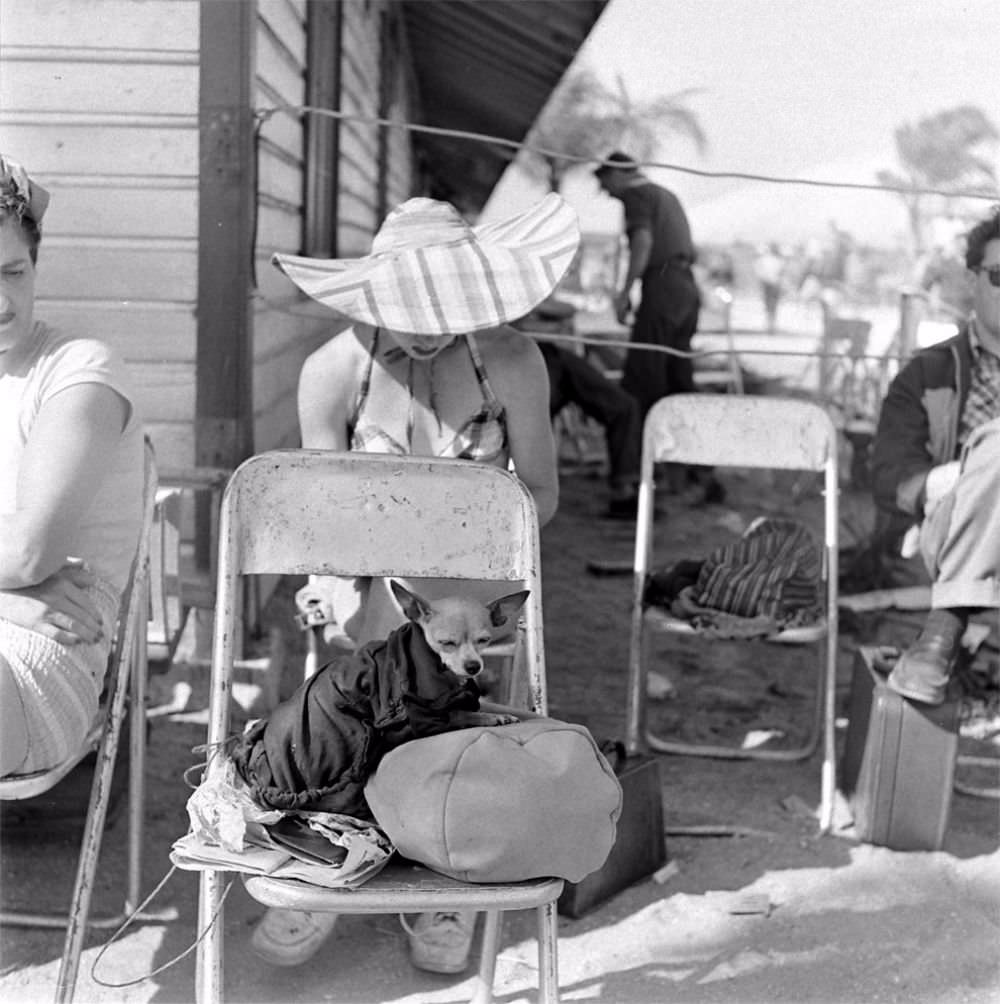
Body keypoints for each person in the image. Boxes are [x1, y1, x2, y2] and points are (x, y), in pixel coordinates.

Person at [249, 193, 578, 972]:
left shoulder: (510, 360)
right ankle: (334, 854)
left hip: (474, 571)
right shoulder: (332, 372)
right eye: (409, 307)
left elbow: (542, 492)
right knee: (363, 679)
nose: (429, 327)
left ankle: (443, 866)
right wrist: (327, 576)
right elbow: (318, 512)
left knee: (439, 663)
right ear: (374, 294)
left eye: (448, 306)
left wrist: (457, 530)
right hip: (373, 575)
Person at [0, 155, 145, 778]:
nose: (2, 300)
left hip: (42, 659)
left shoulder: (78, 371)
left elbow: (32, 553)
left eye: (13, 270)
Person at [871, 207, 1000, 706]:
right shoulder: (928, 374)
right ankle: (945, 632)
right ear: (973, 281)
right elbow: (889, 475)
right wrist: (961, 477)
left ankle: (939, 642)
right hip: (950, 526)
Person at [594, 150, 722, 503]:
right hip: (684, 289)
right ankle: (697, 471)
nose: (606, 192)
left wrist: (624, 290)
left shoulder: (637, 196)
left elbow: (643, 241)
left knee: (640, 383)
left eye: (605, 183)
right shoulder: (666, 195)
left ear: (618, 174)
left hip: (663, 288)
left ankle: (634, 479)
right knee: (678, 382)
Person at [513, 296, 642, 518]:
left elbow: (551, 309)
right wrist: (551, 316)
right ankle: (522, 498)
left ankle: (626, 489)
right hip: (519, 359)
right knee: (533, 416)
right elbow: (529, 315)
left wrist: (549, 315)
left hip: (551, 354)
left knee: (624, 406)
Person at [754, 242, 785, 334]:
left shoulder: (774, 260)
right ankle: (770, 325)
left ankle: (770, 325)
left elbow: (759, 272)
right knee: (771, 305)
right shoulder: (776, 260)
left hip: (771, 284)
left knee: (770, 305)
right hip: (771, 284)